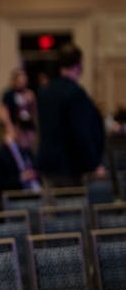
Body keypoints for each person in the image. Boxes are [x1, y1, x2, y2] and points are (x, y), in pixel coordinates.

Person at [36, 44, 106, 187]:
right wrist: (94, 164)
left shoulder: (44, 92)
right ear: (79, 65)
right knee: (71, 201)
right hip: (69, 167)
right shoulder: (75, 93)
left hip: (47, 165)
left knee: (52, 201)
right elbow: (81, 132)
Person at [0, 119, 41, 199]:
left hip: (33, 197)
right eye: (27, 138)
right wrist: (20, 179)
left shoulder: (28, 153)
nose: (29, 143)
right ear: (18, 132)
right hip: (11, 200)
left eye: (30, 141)